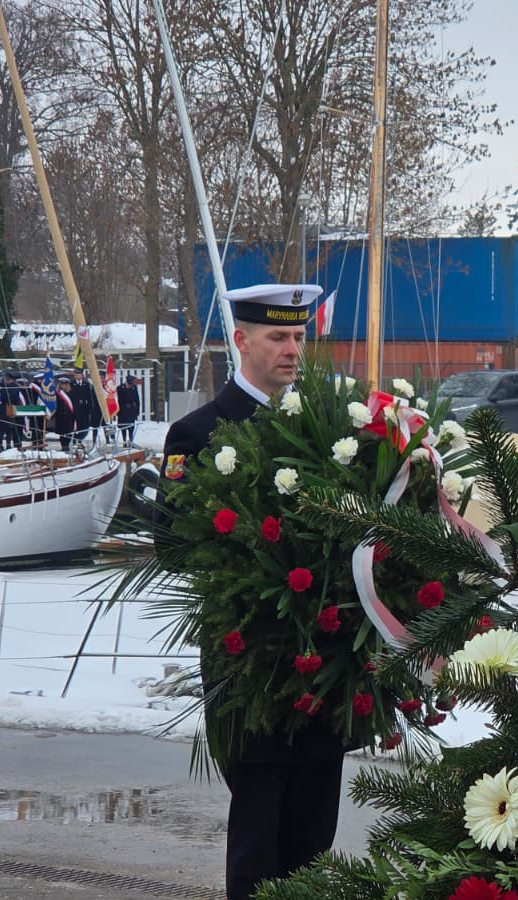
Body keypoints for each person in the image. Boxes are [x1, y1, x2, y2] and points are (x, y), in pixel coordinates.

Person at [157, 283, 343, 900]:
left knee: (314, 848)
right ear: (240, 341)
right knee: (260, 849)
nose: (292, 349)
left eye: (298, 337)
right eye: (277, 337)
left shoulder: (328, 432)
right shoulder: (197, 434)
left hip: (323, 667)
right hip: (250, 668)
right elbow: (171, 546)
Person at [116, 376, 142, 443]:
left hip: (131, 411)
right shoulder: (120, 388)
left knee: (131, 427)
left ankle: (131, 441)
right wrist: (119, 410)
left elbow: (137, 400)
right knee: (123, 427)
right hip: (123, 412)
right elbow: (118, 400)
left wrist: (137, 411)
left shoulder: (134, 388)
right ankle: (124, 441)